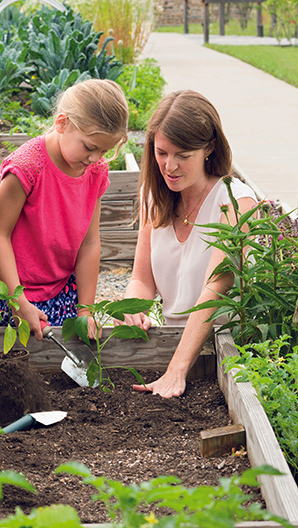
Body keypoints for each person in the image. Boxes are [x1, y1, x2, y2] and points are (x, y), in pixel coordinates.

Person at [120, 90, 257, 398]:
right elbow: (142, 279)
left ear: (209, 148)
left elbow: (215, 289)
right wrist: (132, 307)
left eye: (183, 156)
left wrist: (176, 371)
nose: (169, 166)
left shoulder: (235, 200)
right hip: (170, 345)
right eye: (161, 153)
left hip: (227, 353)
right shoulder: (155, 198)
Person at [0, 79, 129, 339]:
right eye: (90, 147)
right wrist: (18, 302)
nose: (95, 158)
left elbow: (90, 243)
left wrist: (86, 309)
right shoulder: (26, 167)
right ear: (62, 123)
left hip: (62, 289)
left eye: (104, 151)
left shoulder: (95, 170)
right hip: (14, 293)